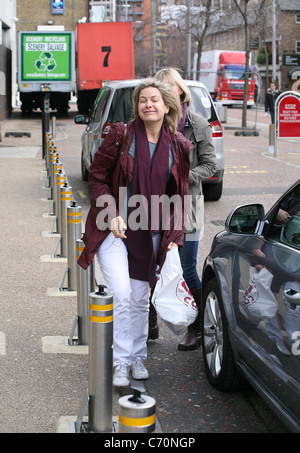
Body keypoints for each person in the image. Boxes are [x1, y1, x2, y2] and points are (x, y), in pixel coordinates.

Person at [78, 77, 193, 386]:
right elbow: (97, 178)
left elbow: (180, 196)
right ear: (137, 106)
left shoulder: (179, 145)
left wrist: (173, 238)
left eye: (154, 99)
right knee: (121, 295)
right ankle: (119, 362)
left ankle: (137, 357)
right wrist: (111, 214)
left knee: (141, 301)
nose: (148, 105)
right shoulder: (121, 135)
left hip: (151, 231)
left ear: (167, 105)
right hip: (115, 230)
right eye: (142, 100)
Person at [152, 68, 217, 350]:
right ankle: (150, 323)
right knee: (153, 267)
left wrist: (182, 176)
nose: (166, 90)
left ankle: (198, 326)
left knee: (188, 269)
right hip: (154, 206)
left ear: (181, 90)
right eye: (160, 87)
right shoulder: (151, 123)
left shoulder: (198, 124)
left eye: (171, 86)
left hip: (188, 206)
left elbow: (210, 165)